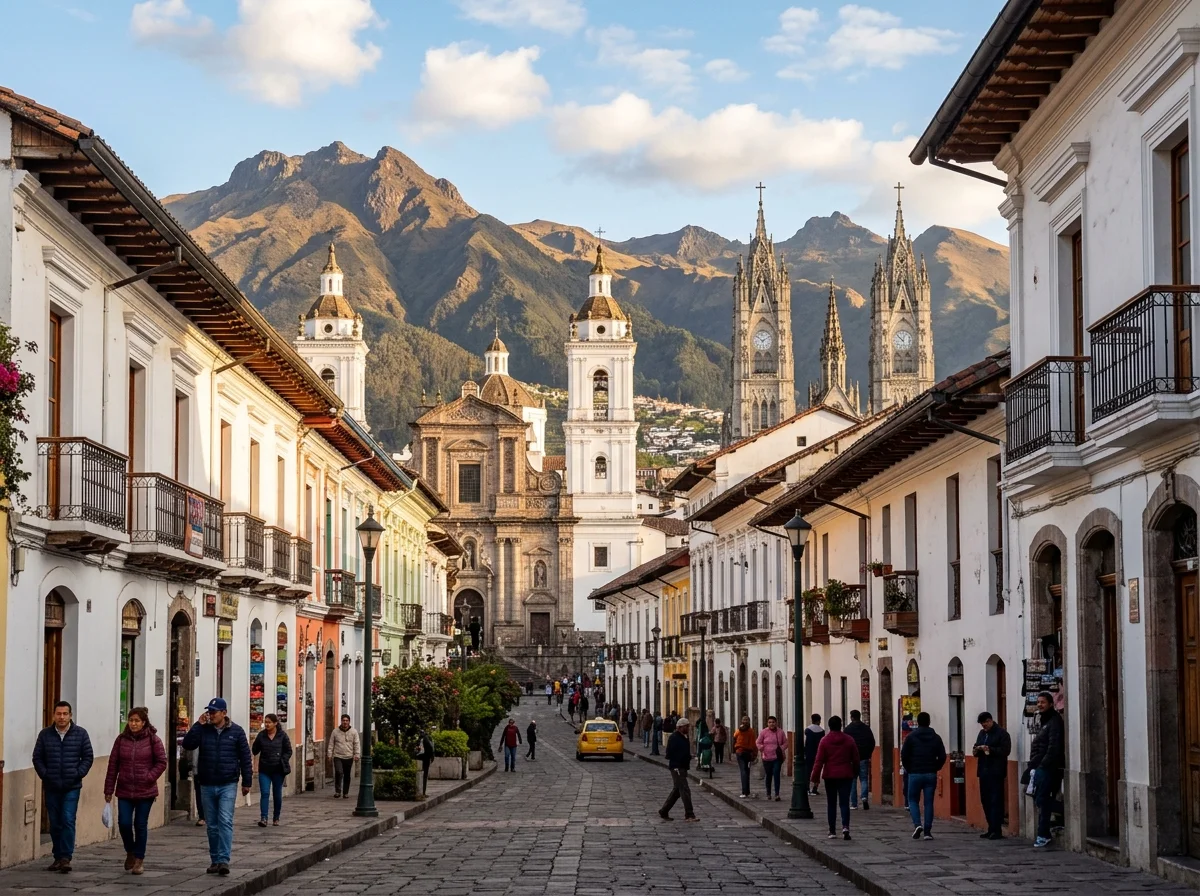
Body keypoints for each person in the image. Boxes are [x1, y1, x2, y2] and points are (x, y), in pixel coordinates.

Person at [181, 698, 253, 876]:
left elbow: (245, 757)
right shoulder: (203, 730)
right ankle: (214, 860)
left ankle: (224, 860)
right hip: (207, 783)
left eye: (214, 712)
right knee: (212, 825)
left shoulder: (236, 732)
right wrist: (198, 725)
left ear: (224, 713)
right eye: (209, 712)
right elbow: (188, 744)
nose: (211, 715)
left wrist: (247, 782)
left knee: (225, 821)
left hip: (228, 782)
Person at [32, 700, 94, 873]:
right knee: (55, 823)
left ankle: (66, 857)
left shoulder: (80, 734)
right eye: (58, 714)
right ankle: (57, 856)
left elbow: (88, 757)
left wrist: (77, 773)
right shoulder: (45, 735)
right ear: (53, 715)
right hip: (52, 786)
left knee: (67, 819)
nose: (61, 717)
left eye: (65, 714)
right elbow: (37, 758)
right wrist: (45, 774)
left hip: (71, 785)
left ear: (70, 715)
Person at [103, 707, 165, 875]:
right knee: (123, 823)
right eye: (131, 720)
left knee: (140, 824)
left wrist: (149, 777)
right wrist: (108, 789)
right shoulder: (121, 740)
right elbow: (113, 765)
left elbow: (161, 762)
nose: (133, 724)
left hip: (146, 791)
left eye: (137, 721)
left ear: (144, 723)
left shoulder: (153, 740)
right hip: (124, 789)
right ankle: (130, 851)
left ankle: (139, 859)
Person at [810, 715, 860, 841]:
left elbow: (819, 760)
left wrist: (815, 777)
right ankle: (845, 827)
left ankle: (832, 830)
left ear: (829, 726)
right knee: (844, 803)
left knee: (831, 803)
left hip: (830, 775)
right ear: (841, 725)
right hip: (845, 775)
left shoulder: (825, 741)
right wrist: (855, 772)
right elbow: (856, 758)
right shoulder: (849, 740)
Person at [900, 711, 947, 841]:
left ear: (918, 722)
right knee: (928, 803)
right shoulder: (936, 737)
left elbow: (904, 755)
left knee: (913, 800)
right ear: (929, 722)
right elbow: (942, 756)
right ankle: (927, 831)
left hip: (914, 773)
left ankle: (917, 824)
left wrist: (909, 768)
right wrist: (936, 767)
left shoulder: (911, 737)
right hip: (930, 774)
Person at [1028, 692, 1064, 848]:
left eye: (1043, 702)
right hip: (1041, 766)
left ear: (1051, 703)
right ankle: (1043, 833)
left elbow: (1053, 746)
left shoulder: (1054, 721)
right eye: (1038, 702)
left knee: (1042, 799)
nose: (1040, 705)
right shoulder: (1045, 721)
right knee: (1040, 799)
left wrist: (1043, 764)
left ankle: (1043, 834)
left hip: (1048, 768)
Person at [973, 711, 1012, 840]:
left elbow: (1005, 750)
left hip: (996, 772)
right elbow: (977, 745)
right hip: (983, 771)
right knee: (985, 800)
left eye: (984, 723)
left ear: (990, 721)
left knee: (996, 801)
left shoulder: (1002, 734)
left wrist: (990, 749)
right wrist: (977, 749)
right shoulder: (982, 733)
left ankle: (997, 830)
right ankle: (990, 828)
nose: (983, 726)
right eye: (981, 724)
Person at [251, 714, 292, 827]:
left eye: (269, 722)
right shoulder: (262, 735)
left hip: (278, 770)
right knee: (264, 793)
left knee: (277, 794)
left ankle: (276, 817)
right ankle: (264, 818)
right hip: (264, 769)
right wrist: (255, 744)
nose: (267, 724)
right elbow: (255, 750)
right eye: (266, 722)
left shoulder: (282, 736)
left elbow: (289, 751)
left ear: (275, 723)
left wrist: (282, 759)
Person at [658, 718, 698, 822]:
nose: (688, 728)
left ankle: (664, 811)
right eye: (686, 726)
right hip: (677, 767)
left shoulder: (684, 737)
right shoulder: (674, 737)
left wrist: (688, 757)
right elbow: (669, 753)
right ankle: (689, 814)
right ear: (680, 727)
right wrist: (681, 758)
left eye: (688, 726)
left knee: (677, 791)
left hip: (683, 766)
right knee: (685, 790)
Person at [844, 709, 876, 810]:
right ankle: (864, 797)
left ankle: (853, 803)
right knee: (864, 779)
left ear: (851, 717)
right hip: (864, 757)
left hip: (852, 759)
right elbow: (872, 742)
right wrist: (868, 753)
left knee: (852, 780)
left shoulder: (848, 729)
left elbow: (845, 744)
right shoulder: (866, 728)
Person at [757, 716, 788, 801]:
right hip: (766, 757)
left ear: (776, 723)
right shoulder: (763, 732)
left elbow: (786, 742)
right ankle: (768, 793)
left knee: (776, 773)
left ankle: (777, 794)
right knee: (769, 775)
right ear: (767, 723)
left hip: (777, 757)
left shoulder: (780, 732)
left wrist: (781, 748)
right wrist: (761, 747)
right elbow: (758, 742)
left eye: (773, 722)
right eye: (770, 722)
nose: (771, 724)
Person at [329, 714, 360, 799]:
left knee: (347, 774)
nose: (345, 722)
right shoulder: (335, 731)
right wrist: (329, 754)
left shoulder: (354, 732)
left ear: (349, 722)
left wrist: (357, 754)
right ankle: (337, 791)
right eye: (343, 720)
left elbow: (356, 744)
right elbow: (331, 743)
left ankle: (345, 792)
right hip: (338, 756)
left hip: (349, 756)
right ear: (341, 721)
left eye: (346, 721)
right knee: (339, 772)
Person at [732, 715, 757, 799]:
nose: (745, 721)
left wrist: (734, 749)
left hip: (740, 752)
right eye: (744, 719)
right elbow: (753, 744)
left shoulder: (739, 730)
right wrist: (754, 753)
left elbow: (734, 738)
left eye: (746, 720)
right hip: (748, 753)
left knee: (743, 771)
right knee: (747, 771)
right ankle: (747, 791)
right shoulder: (751, 731)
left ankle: (744, 791)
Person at [804, 715, 826, 795]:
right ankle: (815, 787)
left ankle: (807, 788)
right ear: (818, 721)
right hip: (819, 754)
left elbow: (805, 743)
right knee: (817, 771)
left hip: (809, 753)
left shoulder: (808, 730)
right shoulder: (822, 731)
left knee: (808, 771)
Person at [418, 729, 435, 795]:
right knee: (424, 775)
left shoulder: (425, 739)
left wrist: (431, 756)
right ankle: (423, 792)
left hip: (424, 758)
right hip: (425, 758)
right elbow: (431, 748)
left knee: (424, 775)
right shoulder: (425, 738)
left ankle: (423, 792)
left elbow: (431, 748)